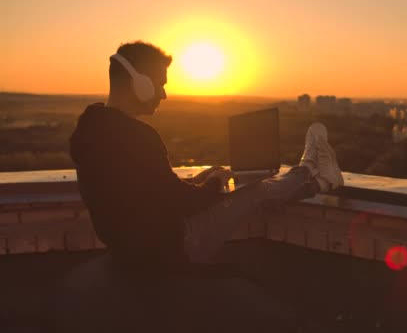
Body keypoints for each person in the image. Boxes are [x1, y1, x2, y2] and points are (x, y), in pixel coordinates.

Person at [69, 41, 344, 275]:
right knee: (256, 189)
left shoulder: (91, 128)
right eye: (160, 84)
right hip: (174, 248)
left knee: (251, 188)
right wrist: (213, 185)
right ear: (139, 84)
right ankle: (311, 168)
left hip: (129, 252)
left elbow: (148, 193)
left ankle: (317, 179)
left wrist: (202, 181)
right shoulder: (139, 136)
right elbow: (184, 204)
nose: (164, 94)